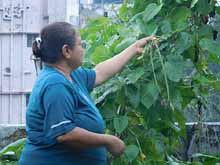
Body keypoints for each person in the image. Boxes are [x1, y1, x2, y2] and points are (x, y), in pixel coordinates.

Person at [19, 22, 156, 165]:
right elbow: (65, 133)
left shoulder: (72, 75)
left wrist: (134, 48)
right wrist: (108, 140)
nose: (83, 49)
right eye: (80, 44)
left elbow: (99, 72)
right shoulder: (55, 85)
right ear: (67, 51)